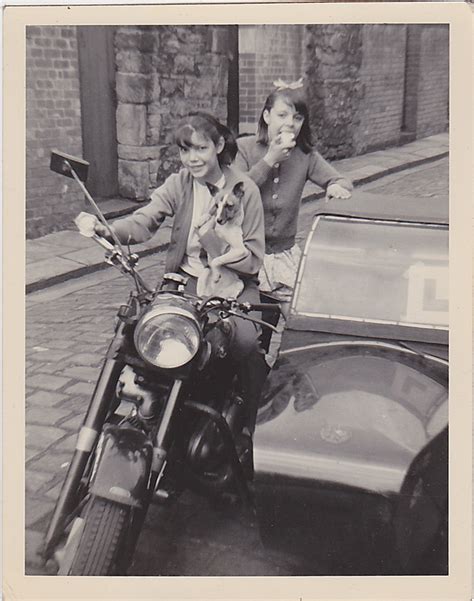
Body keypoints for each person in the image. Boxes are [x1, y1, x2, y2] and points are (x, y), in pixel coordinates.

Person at [91, 111, 268, 436]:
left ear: (217, 145)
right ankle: (129, 415)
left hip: (232, 287)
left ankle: (255, 429)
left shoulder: (245, 190)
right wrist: (109, 228)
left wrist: (214, 244)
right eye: (185, 151)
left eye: (199, 149)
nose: (192, 158)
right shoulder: (179, 183)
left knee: (244, 344)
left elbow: (253, 261)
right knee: (138, 336)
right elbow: (144, 221)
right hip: (184, 282)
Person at [234, 78, 353, 364]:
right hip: (248, 259)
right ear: (266, 116)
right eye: (282, 115)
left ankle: (288, 383)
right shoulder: (244, 149)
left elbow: (341, 179)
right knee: (249, 338)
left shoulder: (305, 156)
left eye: (297, 117)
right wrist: (270, 160)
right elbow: (235, 193)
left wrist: (337, 186)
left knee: (304, 330)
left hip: (285, 258)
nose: (290, 123)